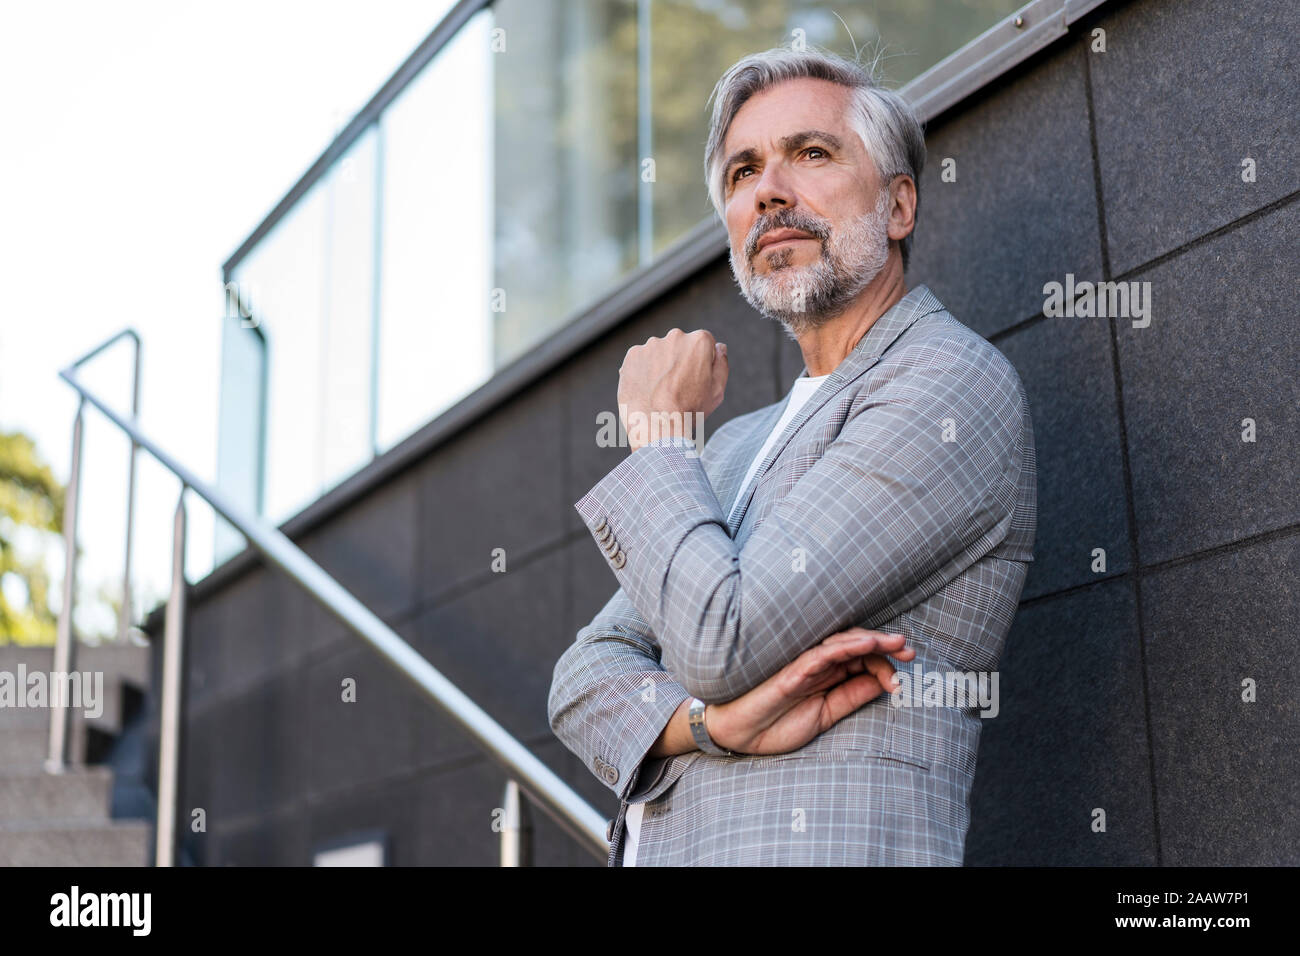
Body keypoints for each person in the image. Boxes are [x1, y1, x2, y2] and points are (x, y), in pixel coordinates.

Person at [547, 44, 1036, 866]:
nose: (769, 188)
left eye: (810, 153)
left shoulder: (950, 384)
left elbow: (723, 638)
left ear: (899, 205)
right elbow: (581, 677)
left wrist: (660, 431)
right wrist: (711, 725)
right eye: (743, 172)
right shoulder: (736, 444)